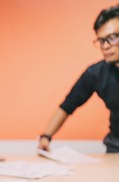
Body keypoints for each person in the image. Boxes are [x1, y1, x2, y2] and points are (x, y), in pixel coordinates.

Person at [38, 4, 119, 153]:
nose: (105, 46)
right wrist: (46, 137)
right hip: (115, 149)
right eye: (101, 41)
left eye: (112, 38)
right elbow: (67, 105)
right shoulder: (96, 73)